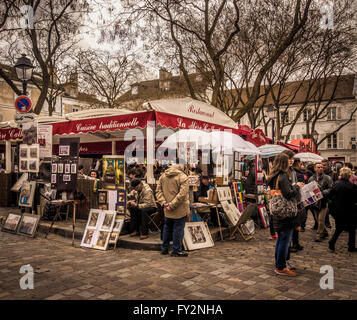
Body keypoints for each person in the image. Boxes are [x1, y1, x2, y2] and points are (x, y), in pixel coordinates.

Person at [268, 153, 303, 276]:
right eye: (288, 160)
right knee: (284, 240)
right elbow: (288, 194)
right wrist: (297, 187)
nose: (291, 162)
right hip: (285, 212)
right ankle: (281, 267)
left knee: (281, 239)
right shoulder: (283, 176)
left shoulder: (273, 175)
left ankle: (279, 264)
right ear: (284, 162)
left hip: (277, 211)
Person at [156, 164, 189, 257]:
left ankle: (164, 248)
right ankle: (176, 250)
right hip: (179, 208)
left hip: (167, 208)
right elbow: (182, 195)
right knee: (178, 229)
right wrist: (172, 205)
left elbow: (158, 191)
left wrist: (164, 203)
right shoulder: (183, 177)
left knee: (167, 228)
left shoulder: (163, 176)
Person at [328, 167, 357, 253]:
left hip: (337, 210)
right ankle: (351, 246)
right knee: (352, 228)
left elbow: (330, 195)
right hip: (349, 210)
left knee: (339, 228)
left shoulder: (336, 184)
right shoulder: (352, 186)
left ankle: (332, 242)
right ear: (349, 175)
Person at [308, 163, 333, 242]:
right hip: (314, 202)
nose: (321, 168)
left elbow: (331, 188)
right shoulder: (311, 178)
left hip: (323, 201)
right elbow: (308, 189)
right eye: (318, 167)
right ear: (315, 169)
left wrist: (322, 192)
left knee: (321, 219)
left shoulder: (327, 178)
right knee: (317, 219)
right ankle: (325, 232)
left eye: (322, 167)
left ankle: (319, 235)